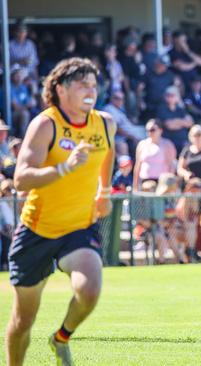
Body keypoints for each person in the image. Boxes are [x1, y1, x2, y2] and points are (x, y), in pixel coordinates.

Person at [5, 58, 116, 366]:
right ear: (60, 89)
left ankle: (61, 338)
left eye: (93, 84)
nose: (90, 90)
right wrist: (65, 167)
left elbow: (109, 151)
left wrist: (104, 192)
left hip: (79, 227)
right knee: (22, 321)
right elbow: (21, 178)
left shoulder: (104, 123)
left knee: (89, 289)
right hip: (37, 231)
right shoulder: (45, 124)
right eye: (82, 84)